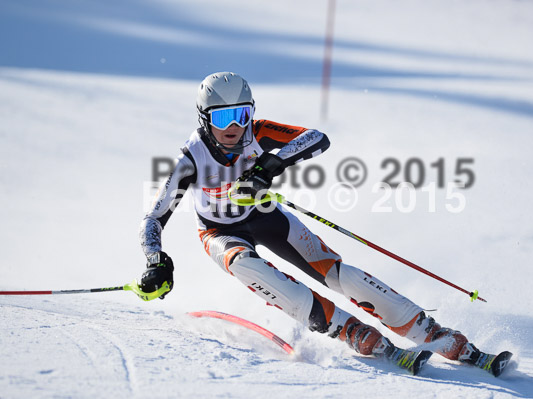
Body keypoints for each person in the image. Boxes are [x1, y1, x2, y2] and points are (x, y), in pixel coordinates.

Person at [138, 71, 481, 365]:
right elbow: (153, 218)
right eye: (222, 119)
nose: (234, 128)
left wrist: (270, 164)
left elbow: (316, 138)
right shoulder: (190, 159)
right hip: (219, 232)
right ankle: (348, 329)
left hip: (264, 214)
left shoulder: (257, 133)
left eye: (241, 115)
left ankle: (427, 330)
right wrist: (156, 260)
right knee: (246, 265)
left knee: (333, 272)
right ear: (204, 119)